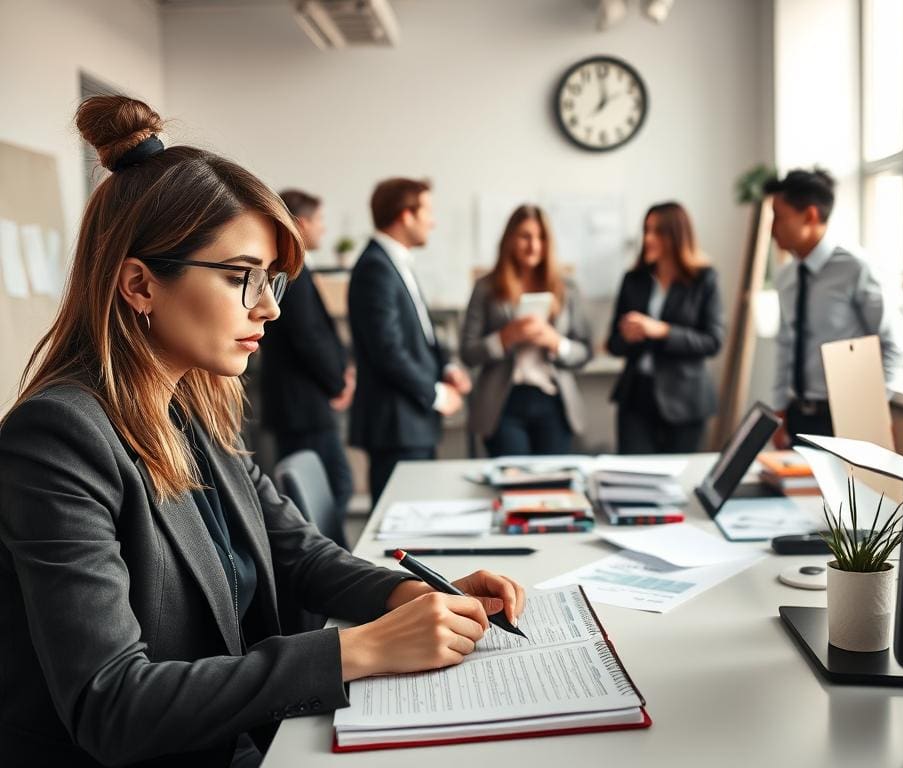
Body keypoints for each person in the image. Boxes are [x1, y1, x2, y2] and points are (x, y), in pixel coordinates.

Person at [0, 96, 524, 768]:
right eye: (241, 277)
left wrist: (418, 596)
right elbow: (111, 703)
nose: (270, 306)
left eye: (271, 279)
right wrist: (360, 649)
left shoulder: (189, 403)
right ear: (139, 284)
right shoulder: (57, 438)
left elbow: (298, 554)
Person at [348, 178, 472, 507]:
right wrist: (436, 394)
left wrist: (446, 367)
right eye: (427, 211)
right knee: (401, 527)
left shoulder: (395, 262)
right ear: (406, 216)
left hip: (411, 422)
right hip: (396, 426)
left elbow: (422, 333)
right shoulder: (376, 267)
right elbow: (387, 350)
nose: (433, 221)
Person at [762, 168, 903, 448]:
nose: (771, 230)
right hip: (798, 416)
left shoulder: (856, 269)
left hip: (849, 420)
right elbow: (785, 345)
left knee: (849, 493)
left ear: (810, 215)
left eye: (779, 218)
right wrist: (779, 410)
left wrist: (868, 413)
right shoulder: (787, 276)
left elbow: (895, 345)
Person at [259, 189, 353, 546]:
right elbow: (308, 337)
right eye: (320, 221)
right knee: (328, 491)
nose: (324, 229)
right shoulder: (291, 273)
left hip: (303, 403)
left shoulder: (294, 270)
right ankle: (331, 570)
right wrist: (337, 383)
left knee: (331, 487)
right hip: (303, 405)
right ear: (300, 223)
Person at [460, 204, 593, 456]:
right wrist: (504, 338)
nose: (534, 245)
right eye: (525, 236)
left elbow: (585, 351)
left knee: (552, 483)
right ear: (510, 239)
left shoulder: (567, 288)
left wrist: (556, 343)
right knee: (514, 483)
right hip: (503, 402)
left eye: (541, 237)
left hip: (553, 401)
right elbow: (468, 352)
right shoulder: (486, 288)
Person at [607, 202, 724, 454]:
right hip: (636, 397)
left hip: (686, 400)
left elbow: (713, 341)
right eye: (646, 230)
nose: (648, 238)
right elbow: (613, 343)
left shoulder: (704, 279)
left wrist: (662, 331)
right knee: (633, 476)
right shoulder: (633, 280)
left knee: (678, 480)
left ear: (677, 235)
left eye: (657, 231)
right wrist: (627, 336)